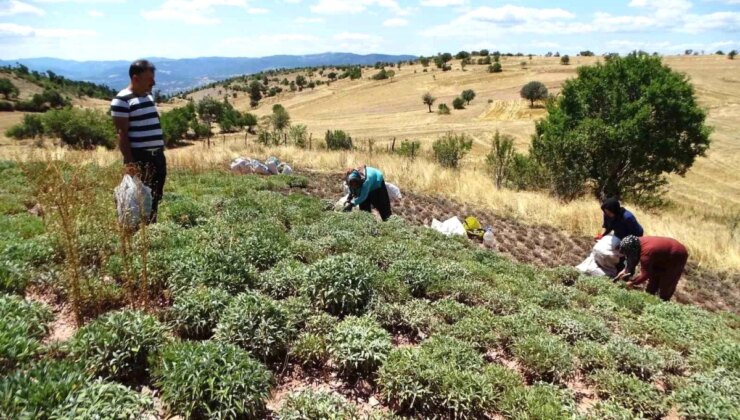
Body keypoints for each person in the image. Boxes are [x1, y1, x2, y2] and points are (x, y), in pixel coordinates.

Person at [110, 59, 166, 223]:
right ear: (135, 78)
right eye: (149, 79)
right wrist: (130, 163)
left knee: (155, 196)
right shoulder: (121, 101)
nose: (153, 83)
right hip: (141, 158)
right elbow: (122, 134)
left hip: (157, 157)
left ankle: (151, 228)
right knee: (138, 197)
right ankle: (138, 232)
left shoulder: (147, 97)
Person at [614, 235, 689, 301]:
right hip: (662, 253)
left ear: (633, 250)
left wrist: (632, 283)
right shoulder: (636, 242)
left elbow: (645, 274)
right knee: (653, 281)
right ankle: (650, 297)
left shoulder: (646, 254)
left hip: (678, 254)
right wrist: (625, 270)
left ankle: (664, 302)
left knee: (667, 282)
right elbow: (631, 258)